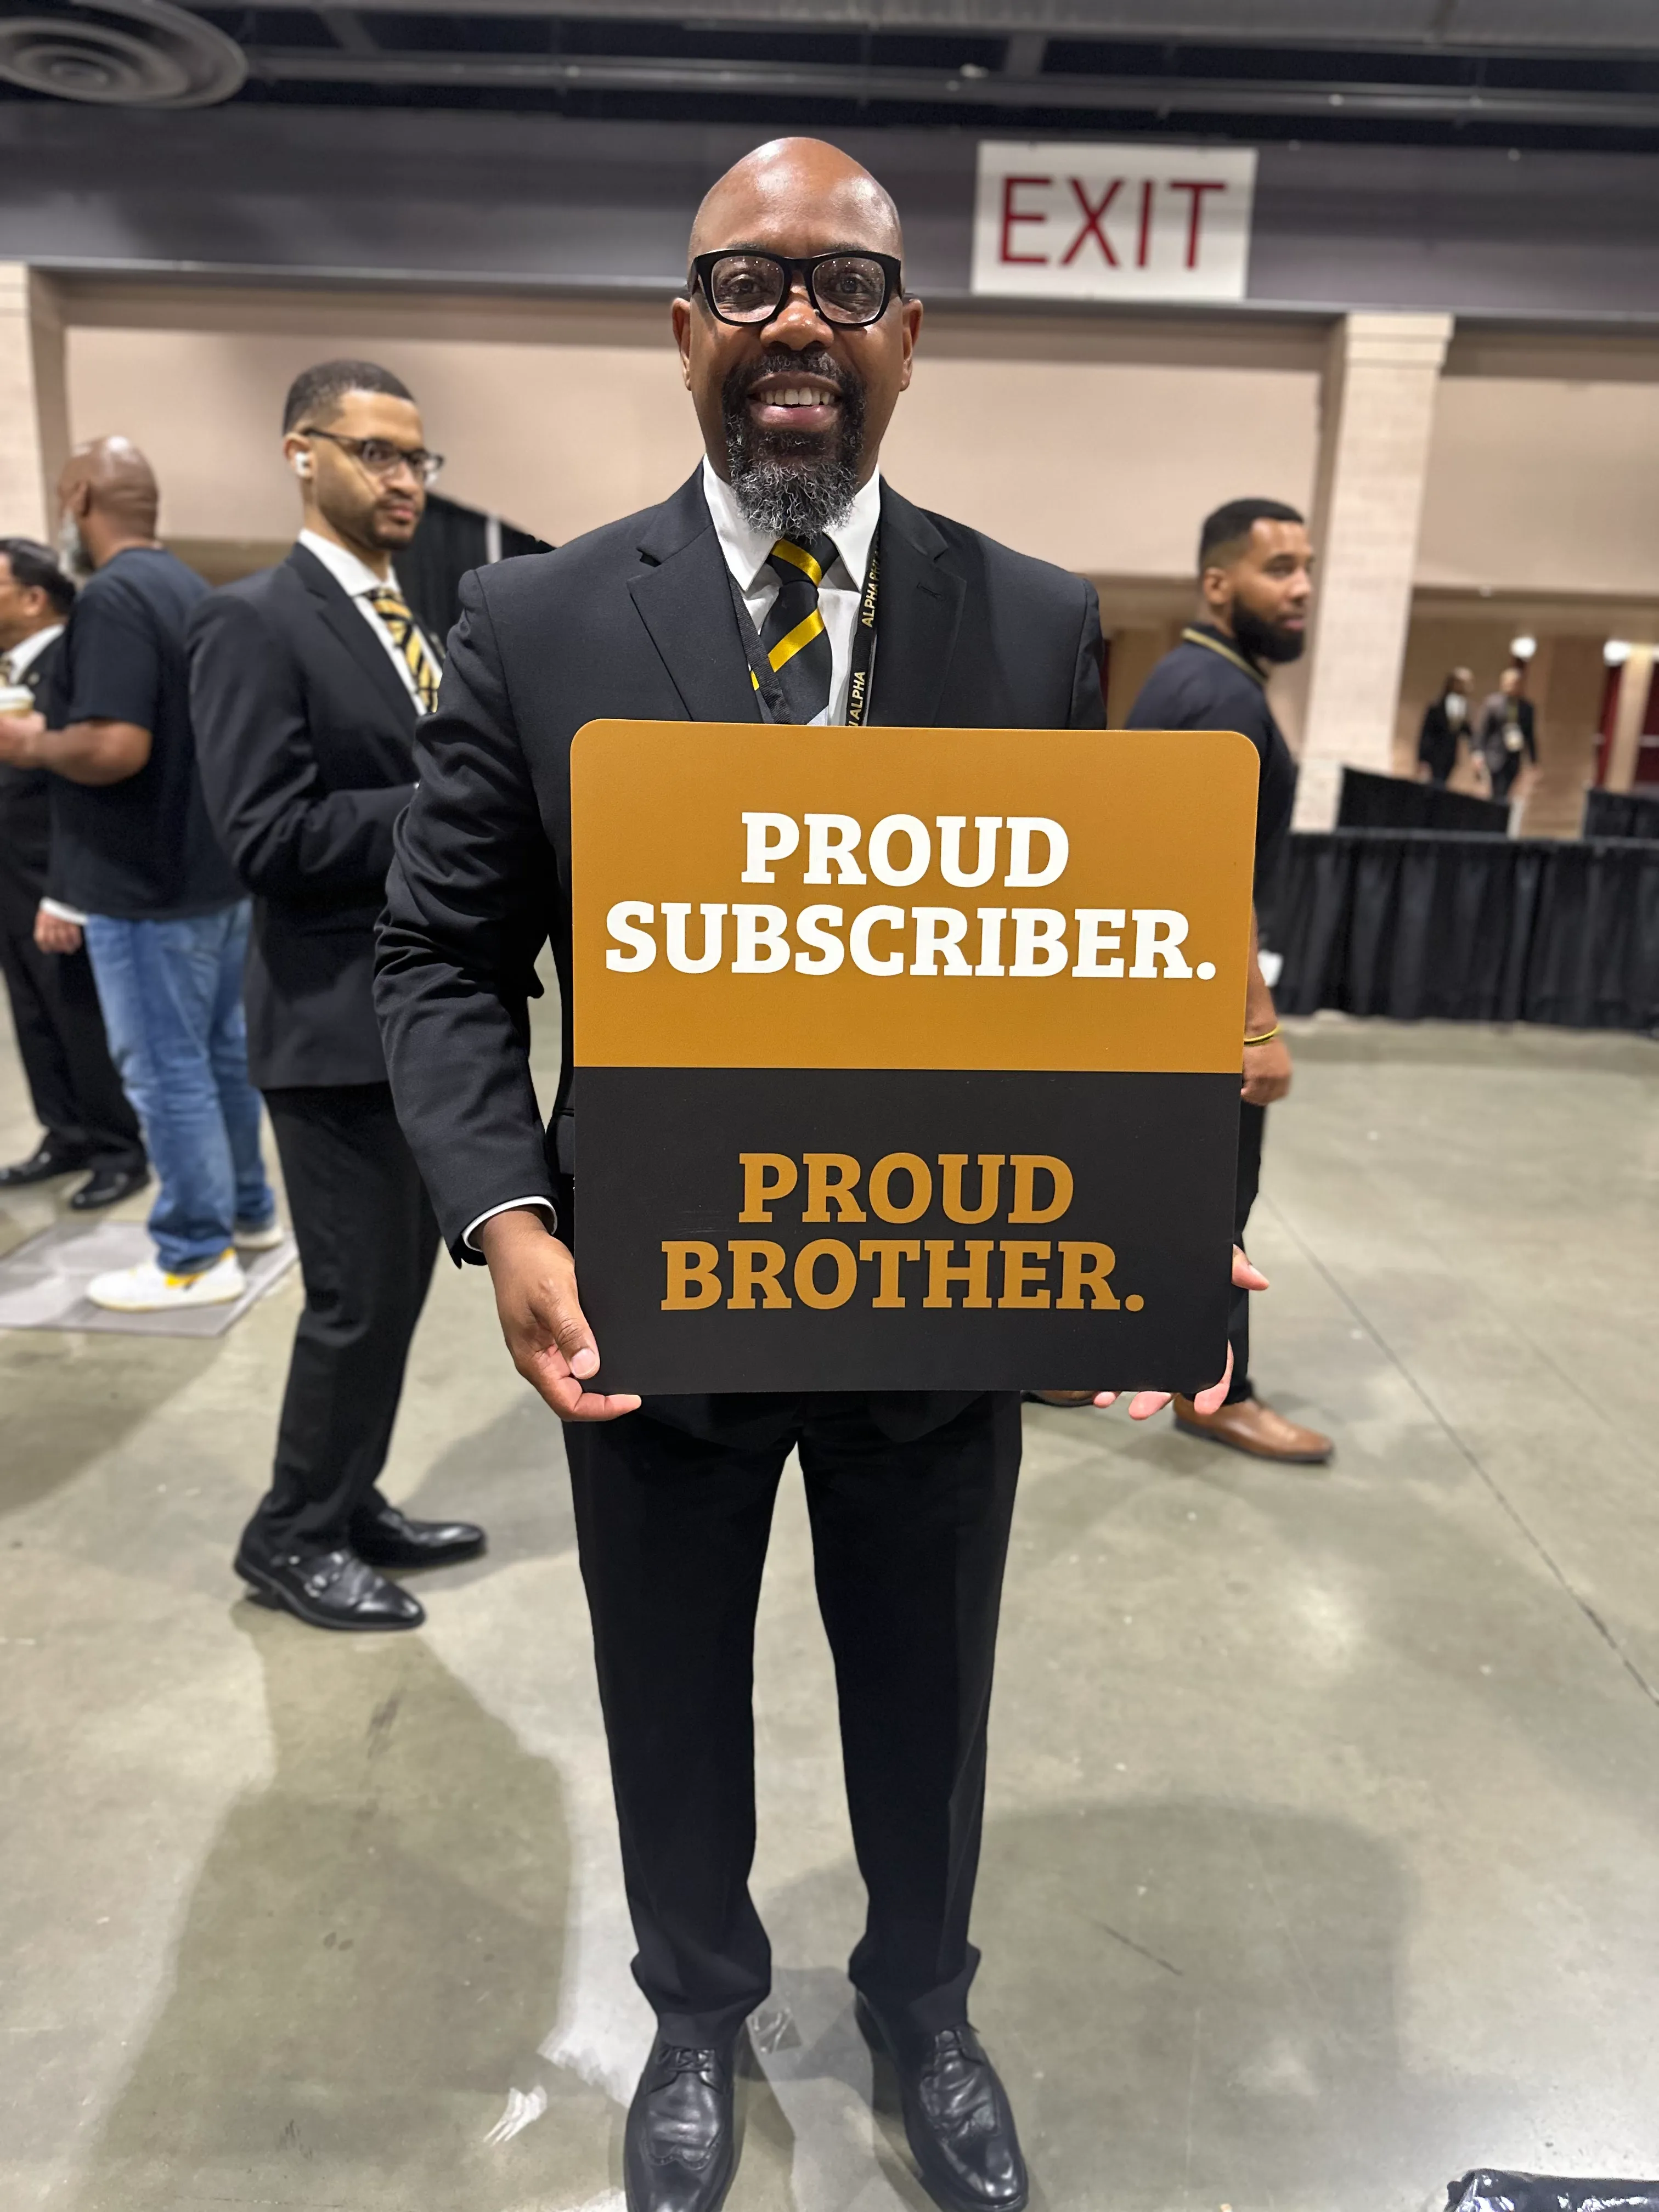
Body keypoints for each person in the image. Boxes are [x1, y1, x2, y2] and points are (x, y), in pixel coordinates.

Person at [374, 137, 1255, 2212]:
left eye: (844, 289)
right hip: (654, 1296)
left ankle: (920, 2002)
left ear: (907, 342)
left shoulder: (1034, 622)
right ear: (682, 331)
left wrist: (1138, 1197)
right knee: (665, 1683)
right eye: (747, 283)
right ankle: (692, 2004)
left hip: (940, 1292)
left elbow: (1059, 960)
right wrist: (504, 1215)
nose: (795, 322)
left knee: (926, 1687)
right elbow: (433, 950)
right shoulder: (538, 616)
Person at [189, 359, 484, 1633]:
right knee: (358, 1299)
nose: (404, 480)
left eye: (417, 459)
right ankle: (289, 1534)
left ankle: (349, 1493)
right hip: (328, 1024)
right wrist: (449, 813)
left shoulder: (407, 616)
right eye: (376, 454)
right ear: (302, 454)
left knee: (401, 1292)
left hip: (413, 1022)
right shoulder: (255, 620)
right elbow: (264, 835)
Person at [0, 438, 276, 1311]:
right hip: (207, 876)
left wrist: (30, 741)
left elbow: (118, 745)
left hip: (143, 890)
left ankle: (193, 1252)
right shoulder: (186, 589)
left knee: (165, 1073)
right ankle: (248, 1211)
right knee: (220, 1061)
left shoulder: (114, 598)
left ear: (79, 495)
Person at [1125, 498, 1333, 1467]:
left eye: (1303, 568)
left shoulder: (1193, 679)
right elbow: (1201, 878)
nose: (1299, 588)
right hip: (1197, 1009)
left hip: (1163, 997)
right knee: (1214, 1205)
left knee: (1160, 1191)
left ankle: (1062, 1359)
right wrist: (1254, 1025)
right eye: (1277, 569)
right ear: (1218, 584)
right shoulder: (1218, 698)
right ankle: (1212, 1393)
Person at [0, 537, 146, 1208]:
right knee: (32, 1013)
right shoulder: (11, 670)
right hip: (10, 872)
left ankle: (120, 1150)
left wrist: (66, 888)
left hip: (55, 874)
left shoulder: (69, 661)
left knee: (77, 1013)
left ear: (33, 598)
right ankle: (66, 1134)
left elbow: (82, 782)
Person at [1477, 664, 1538, 802]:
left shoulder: (1527, 708)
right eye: (1510, 683)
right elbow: (1484, 730)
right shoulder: (1493, 703)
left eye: (1516, 683)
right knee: (1495, 791)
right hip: (1495, 755)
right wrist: (1479, 753)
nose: (1512, 686)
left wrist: (1534, 760)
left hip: (1514, 756)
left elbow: (1530, 735)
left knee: (1505, 793)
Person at [1418, 666, 1472, 787]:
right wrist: (1423, 758)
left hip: (1450, 755)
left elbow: (1465, 731)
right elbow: (1426, 733)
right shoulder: (1436, 705)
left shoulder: (1464, 707)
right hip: (1434, 754)